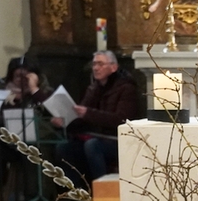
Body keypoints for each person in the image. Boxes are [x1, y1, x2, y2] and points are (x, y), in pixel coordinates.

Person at [0, 58, 54, 201]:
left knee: (31, 152)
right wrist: (3, 102)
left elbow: (53, 112)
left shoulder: (44, 92)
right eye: (17, 76)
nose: (21, 80)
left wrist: (34, 90)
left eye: (26, 76)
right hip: (5, 143)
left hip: (35, 142)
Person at [54, 51, 140, 191]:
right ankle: (78, 194)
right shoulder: (94, 88)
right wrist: (65, 121)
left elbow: (121, 119)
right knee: (64, 148)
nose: (95, 68)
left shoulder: (126, 88)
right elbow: (82, 117)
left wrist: (88, 113)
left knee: (92, 146)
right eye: (94, 64)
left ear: (113, 67)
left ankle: (103, 193)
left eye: (100, 64)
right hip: (96, 136)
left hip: (117, 140)